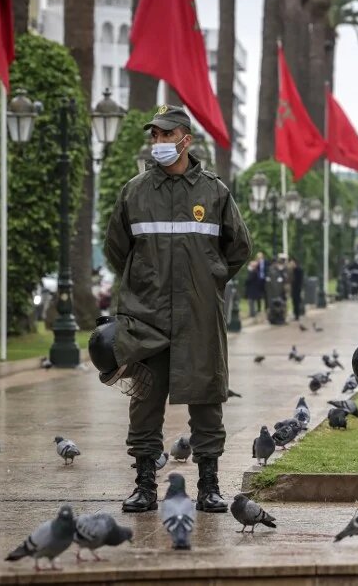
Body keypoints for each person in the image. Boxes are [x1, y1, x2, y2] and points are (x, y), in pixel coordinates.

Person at [105, 105, 251, 514]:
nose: (159, 143)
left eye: (166, 136)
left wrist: (209, 280)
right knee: (145, 402)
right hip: (146, 318)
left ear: (186, 139)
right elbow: (118, 249)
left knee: (207, 399)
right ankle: (145, 485)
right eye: (155, 136)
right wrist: (142, 284)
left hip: (199, 318)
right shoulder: (135, 192)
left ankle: (208, 485)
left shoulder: (214, 192)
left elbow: (238, 248)